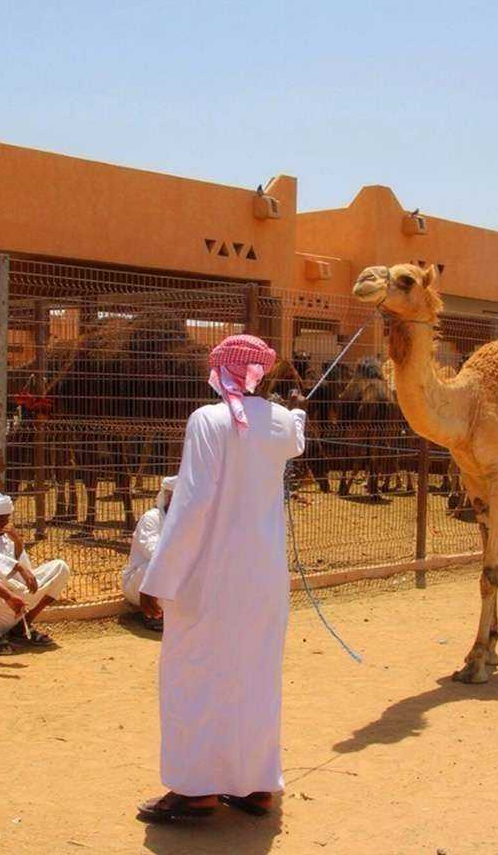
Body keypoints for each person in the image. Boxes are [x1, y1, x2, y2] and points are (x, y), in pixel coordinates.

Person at [137, 334, 307, 823]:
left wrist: (157, 577)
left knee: (194, 677)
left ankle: (196, 791)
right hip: (263, 582)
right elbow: (296, 436)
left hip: (209, 579)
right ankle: (255, 786)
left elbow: (192, 503)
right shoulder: (280, 424)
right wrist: (296, 409)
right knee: (255, 678)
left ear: (222, 370)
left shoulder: (207, 420)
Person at [0, 492, 70, 654]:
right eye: (0, 518)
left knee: (60, 567)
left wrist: (18, 543)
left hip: (14, 604)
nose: (5, 522)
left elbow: (27, 575)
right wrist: (17, 569)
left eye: (7, 517)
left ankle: (22, 626)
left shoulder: (5, 538)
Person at [122, 475, 178, 631]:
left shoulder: (187, 523)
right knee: (157, 567)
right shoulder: (151, 518)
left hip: (173, 580)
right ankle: (150, 615)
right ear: (169, 497)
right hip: (138, 584)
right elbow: (153, 553)